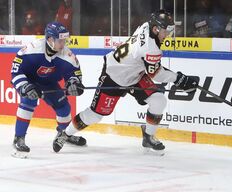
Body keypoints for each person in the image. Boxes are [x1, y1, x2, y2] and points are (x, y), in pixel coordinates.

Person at [52, 10, 199, 155]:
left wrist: (178, 78)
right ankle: (65, 134)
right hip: (114, 74)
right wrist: (179, 79)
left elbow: (151, 67)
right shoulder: (150, 47)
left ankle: (148, 136)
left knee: (158, 100)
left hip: (135, 75)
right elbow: (156, 74)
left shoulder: (147, 26)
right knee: (96, 115)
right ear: (156, 29)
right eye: (166, 30)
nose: (168, 34)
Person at [11, 22, 86, 158]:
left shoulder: (67, 55)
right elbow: (16, 71)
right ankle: (19, 138)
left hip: (49, 83)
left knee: (64, 107)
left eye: (65, 40)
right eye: (60, 40)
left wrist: (74, 83)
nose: (63, 44)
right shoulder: (31, 50)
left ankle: (64, 134)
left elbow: (74, 74)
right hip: (30, 81)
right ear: (50, 39)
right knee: (29, 101)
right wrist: (24, 86)